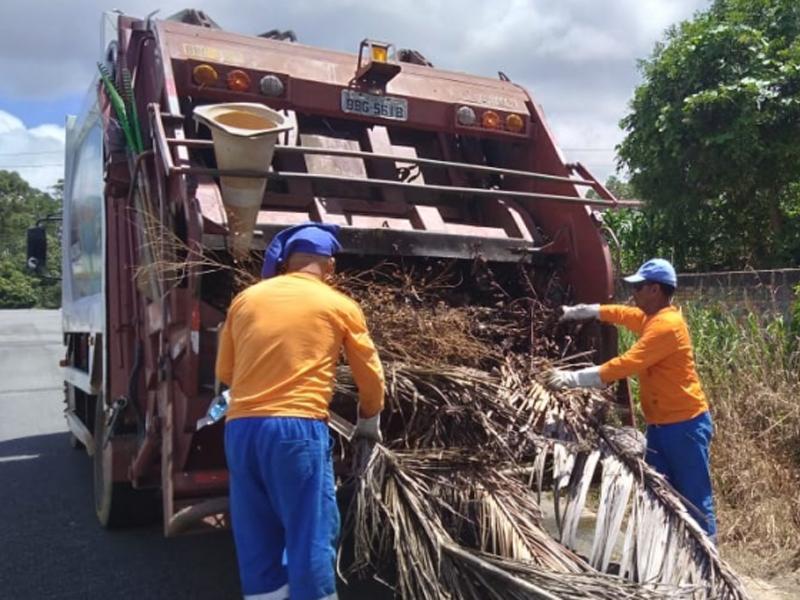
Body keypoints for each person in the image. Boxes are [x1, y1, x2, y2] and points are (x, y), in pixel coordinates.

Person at [216, 222, 385, 600]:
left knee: (255, 530)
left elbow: (225, 372)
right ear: (330, 268)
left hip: (240, 428)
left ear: (288, 262)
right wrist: (368, 418)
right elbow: (370, 374)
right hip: (296, 430)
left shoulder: (246, 299)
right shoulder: (338, 304)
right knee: (309, 528)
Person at [545, 258, 716, 541]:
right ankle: (667, 563)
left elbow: (626, 364)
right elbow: (621, 314)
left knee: (695, 500)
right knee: (658, 498)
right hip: (660, 429)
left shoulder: (667, 327)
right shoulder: (652, 318)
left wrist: (570, 378)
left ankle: (708, 570)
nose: (633, 294)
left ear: (655, 290)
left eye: (638, 288)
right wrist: (580, 312)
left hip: (685, 427)